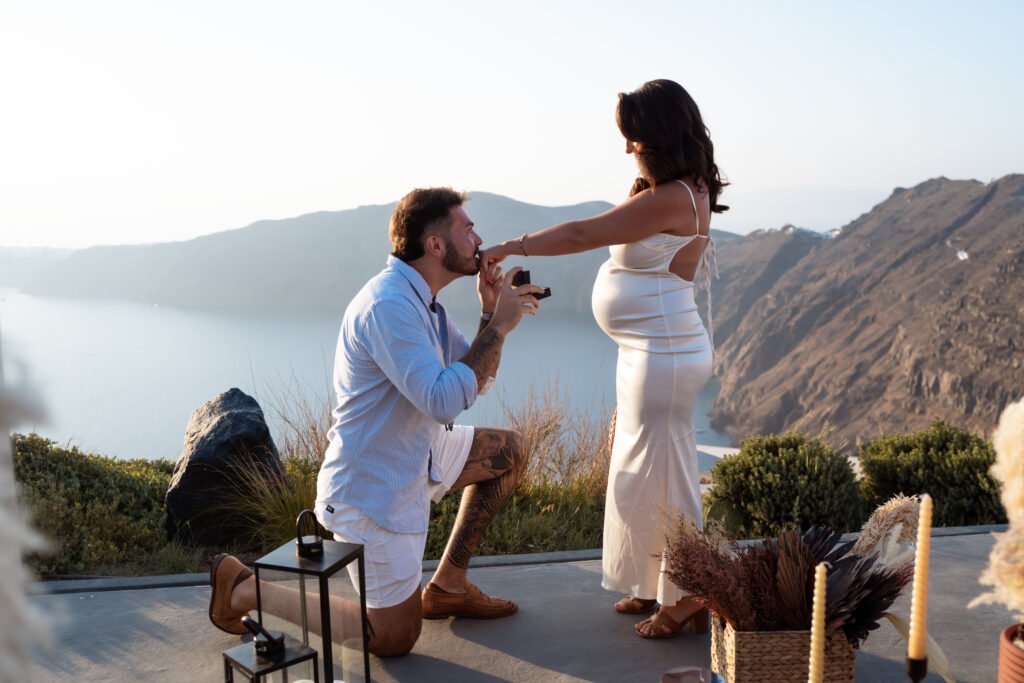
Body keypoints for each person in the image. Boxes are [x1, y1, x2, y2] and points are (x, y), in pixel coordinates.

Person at [209, 187, 546, 656]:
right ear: (434, 245)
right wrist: (500, 326)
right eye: (467, 228)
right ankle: (247, 589)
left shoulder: (424, 302)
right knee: (392, 638)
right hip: (375, 487)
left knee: (510, 451)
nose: (478, 238)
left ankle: (448, 586)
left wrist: (492, 314)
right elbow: (444, 401)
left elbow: (474, 380)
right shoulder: (388, 307)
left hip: (418, 451)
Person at [480, 79, 728, 639]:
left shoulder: (674, 198)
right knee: (640, 471)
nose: (627, 149)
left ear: (658, 135)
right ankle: (651, 580)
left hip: (664, 353)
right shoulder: (674, 188)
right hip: (649, 351)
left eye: (633, 137)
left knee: (668, 473)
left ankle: (687, 594)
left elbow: (582, 233)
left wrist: (509, 245)